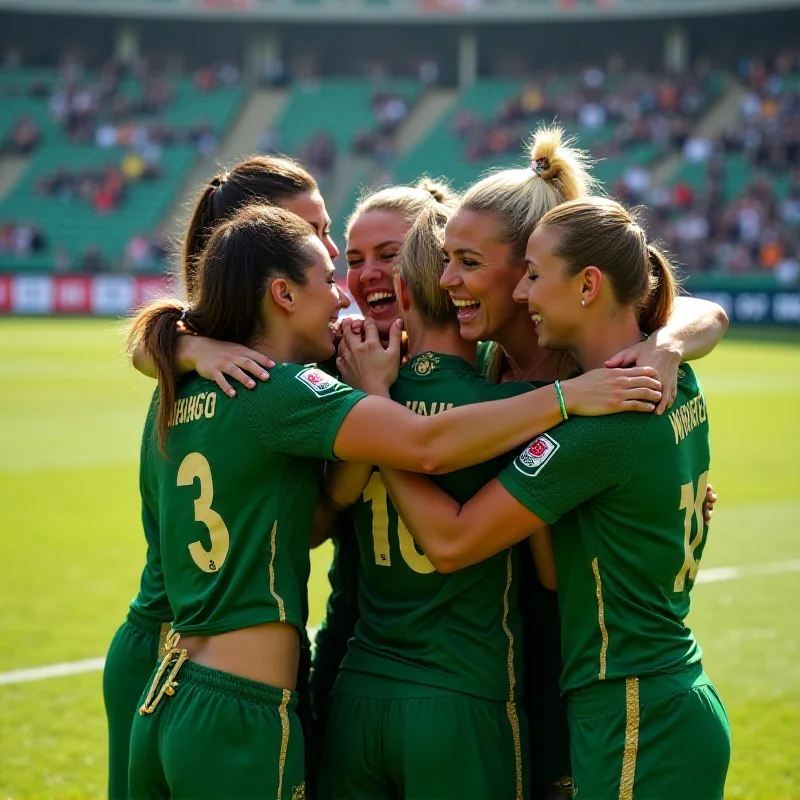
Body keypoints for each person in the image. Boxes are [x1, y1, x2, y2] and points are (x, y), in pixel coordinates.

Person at [126, 202, 662, 799]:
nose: (341, 298)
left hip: (172, 690)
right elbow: (426, 446)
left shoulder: (179, 385)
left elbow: (327, 505)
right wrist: (570, 397)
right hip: (260, 706)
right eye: (331, 277)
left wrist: (181, 345)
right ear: (281, 294)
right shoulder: (292, 391)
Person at [378, 197, 731, 800]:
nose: (522, 294)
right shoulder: (670, 374)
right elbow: (548, 569)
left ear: (589, 284)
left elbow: (454, 539)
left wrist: (381, 427)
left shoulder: (600, 428)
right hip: (660, 695)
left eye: (535, 277)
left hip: (634, 709)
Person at [107, 155, 339, 800]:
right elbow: (148, 337)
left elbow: (301, 523)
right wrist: (189, 347)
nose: (330, 247)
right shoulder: (217, 359)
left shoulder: (262, 357)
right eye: (313, 230)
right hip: (170, 643)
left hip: (216, 649)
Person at [318, 202, 551, 800]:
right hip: (462, 696)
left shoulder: (346, 398)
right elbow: (551, 570)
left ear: (404, 290)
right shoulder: (516, 406)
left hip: (358, 693)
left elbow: (331, 502)